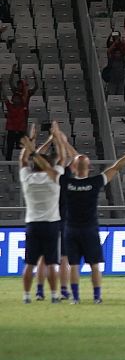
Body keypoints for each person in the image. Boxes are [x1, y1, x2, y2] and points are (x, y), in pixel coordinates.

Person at [58, 129, 125, 303]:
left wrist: (59, 143)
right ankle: (97, 297)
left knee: (73, 265)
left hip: (71, 229)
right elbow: (116, 167)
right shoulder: (95, 182)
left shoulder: (66, 182)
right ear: (89, 168)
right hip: (89, 229)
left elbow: (53, 167)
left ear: (73, 168)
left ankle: (75, 298)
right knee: (95, 265)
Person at [19, 126, 63, 303]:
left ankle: (27, 296)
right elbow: (61, 157)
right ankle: (53, 295)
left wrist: (31, 141)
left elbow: (23, 160)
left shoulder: (27, 178)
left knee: (30, 263)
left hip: (32, 223)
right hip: (51, 223)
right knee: (52, 262)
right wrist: (56, 138)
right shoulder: (54, 178)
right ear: (48, 166)